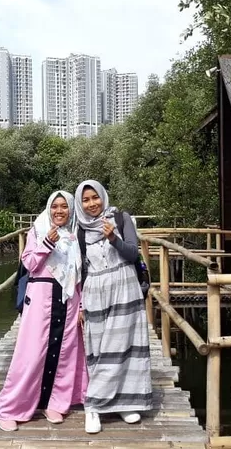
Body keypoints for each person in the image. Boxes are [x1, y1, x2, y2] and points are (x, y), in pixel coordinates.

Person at [0, 191, 88, 431]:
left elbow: (79, 276)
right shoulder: (37, 230)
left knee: (65, 352)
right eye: (54, 206)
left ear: (70, 209)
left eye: (64, 206)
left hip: (68, 299)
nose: (59, 211)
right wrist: (47, 244)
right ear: (48, 208)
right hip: (41, 297)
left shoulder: (75, 235)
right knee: (31, 354)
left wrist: (83, 305)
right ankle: (9, 407)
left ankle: (55, 402)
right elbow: (29, 264)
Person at [75, 179, 152, 434]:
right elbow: (81, 271)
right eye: (85, 200)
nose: (91, 204)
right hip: (95, 290)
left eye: (94, 197)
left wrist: (113, 238)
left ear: (102, 196)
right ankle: (94, 406)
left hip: (124, 286)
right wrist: (81, 305)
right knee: (98, 348)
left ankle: (125, 401)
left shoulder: (121, 218)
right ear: (80, 203)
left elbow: (133, 254)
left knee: (125, 347)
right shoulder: (81, 230)